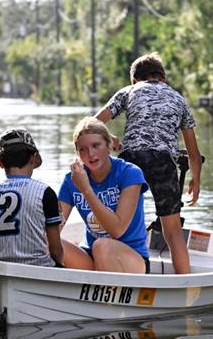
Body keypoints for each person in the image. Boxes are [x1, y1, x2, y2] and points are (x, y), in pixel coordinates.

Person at [94, 52, 202, 274]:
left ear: (135, 79)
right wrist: (196, 181)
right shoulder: (177, 98)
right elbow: (193, 151)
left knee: (121, 222)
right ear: (163, 77)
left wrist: (111, 139)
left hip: (131, 159)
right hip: (164, 161)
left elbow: (94, 123)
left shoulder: (129, 91)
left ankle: (117, 270)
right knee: (172, 230)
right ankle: (185, 284)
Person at [58, 117, 150, 274]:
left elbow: (117, 230)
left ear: (109, 145)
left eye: (96, 145)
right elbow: (54, 227)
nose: (90, 154)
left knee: (102, 245)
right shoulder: (72, 179)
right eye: (83, 149)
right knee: (47, 242)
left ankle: (101, 294)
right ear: (77, 153)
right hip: (91, 256)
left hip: (131, 259)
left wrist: (86, 189)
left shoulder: (130, 173)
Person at [0, 128, 64, 267]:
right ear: (33, 158)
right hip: (37, 267)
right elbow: (56, 250)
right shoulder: (45, 192)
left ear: (0, 162)